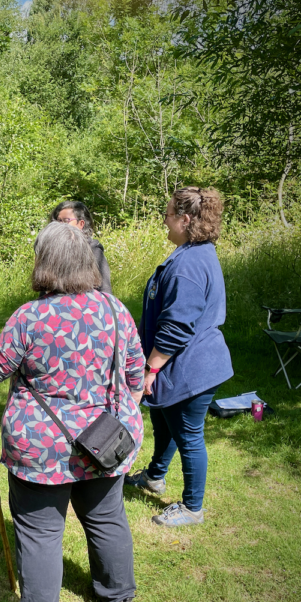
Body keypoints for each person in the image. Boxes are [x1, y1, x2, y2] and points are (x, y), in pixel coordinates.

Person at [0, 222, 145, 602]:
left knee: (40, 535)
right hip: (107, 441)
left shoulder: (31, 317)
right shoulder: (114, 309)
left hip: (42, 449)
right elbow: (135, 378)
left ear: (44, 262)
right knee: (107, 517)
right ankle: (118, 599)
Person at [126, 187, 233, 527]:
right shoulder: (194, 253)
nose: (164, 220)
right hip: (184, 364)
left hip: (191, 368)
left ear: (185, 220)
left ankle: (192, 508)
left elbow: (177, 328)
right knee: (164, 421)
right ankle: (154, 476)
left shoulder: (189, 264)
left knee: (188, 436)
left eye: (168, 214)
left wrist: (150, 369)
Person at [50, 201, 112, 293]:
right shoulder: (53, 250)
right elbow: (45, 290)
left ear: (81, 224)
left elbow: (105, 289)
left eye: (66, 221)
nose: (61, 225)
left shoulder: (93, 250)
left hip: (87, 301)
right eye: (59, 221)